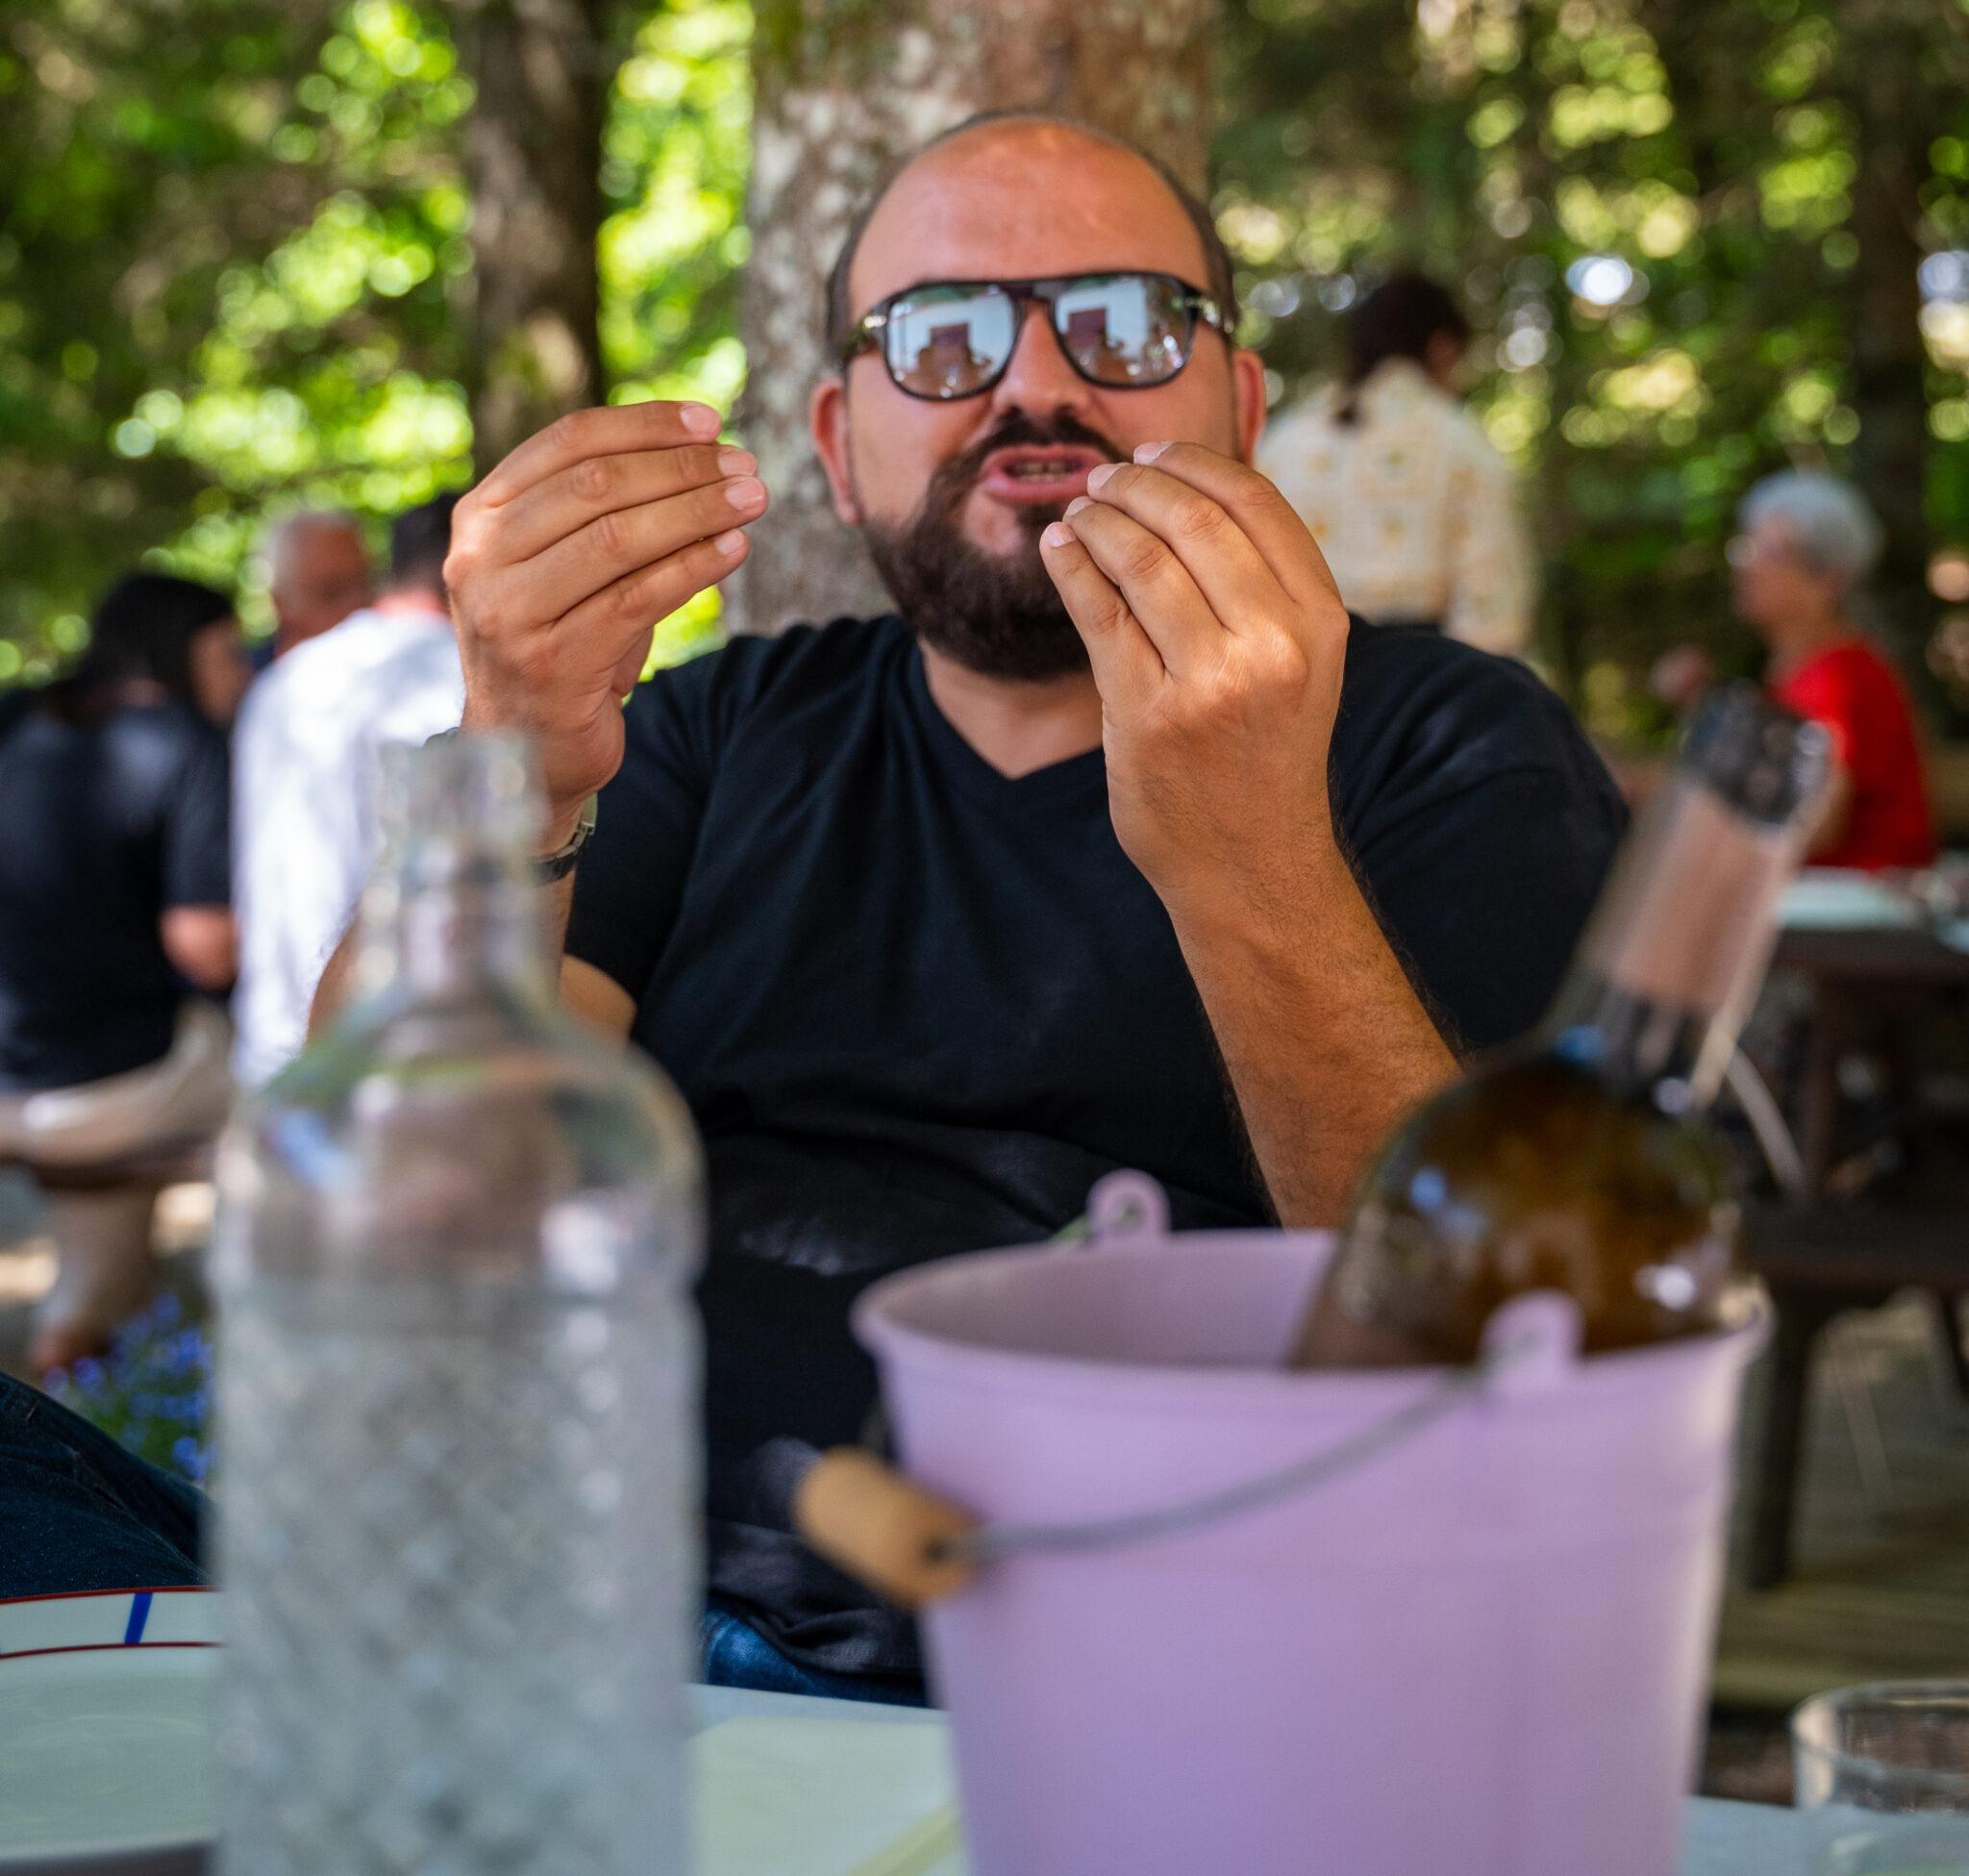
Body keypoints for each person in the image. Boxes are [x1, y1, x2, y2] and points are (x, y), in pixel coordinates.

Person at [0, 113, 1625, 1696]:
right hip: (544, 1619)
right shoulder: (709, 731)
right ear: (840, 444)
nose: (1035, 385)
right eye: (942, 336)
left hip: (1093, 1672)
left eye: (1125, 322)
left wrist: (1249, 847)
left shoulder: (1442, 740)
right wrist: (513, 764)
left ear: (1243, 406)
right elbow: (384, 1205)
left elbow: (1509, 1347)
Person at [0, 575, 246, 1374]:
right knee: (298, 1084)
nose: (242, 674)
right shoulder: (181, 741)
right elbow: (205, 947)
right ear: (179, 651)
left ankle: (107, 1318)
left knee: (104, 1254)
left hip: (15, 1071)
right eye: (228, 652)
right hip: (104, 1088)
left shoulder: (16, 716)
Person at [231, 493, 467, 1088]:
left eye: (359, 582)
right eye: (331, 590)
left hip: (278, 1053)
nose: (353, 603)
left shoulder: (279, 686)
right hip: (395, 1061)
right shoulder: (465, 677)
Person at [1257, 269, 1534, 657]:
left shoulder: (1286, 438)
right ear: (1442, 347)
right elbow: (1490, 606)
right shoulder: (1460, 442)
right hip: (1421, 669)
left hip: (1292, 663)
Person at [1728, 473, 1935, 870]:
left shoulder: (1836, 677)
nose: (1746, 566)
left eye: (1769, 553)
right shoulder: (1807, 669)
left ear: (1827, 579)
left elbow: (1814, 821)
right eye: (1745, 547)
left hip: (1860, 897)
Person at [250, 510, 373, 666]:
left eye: (365, 584)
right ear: (280, 603)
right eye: (332, 593)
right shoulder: (247, 677)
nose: (359, 608)